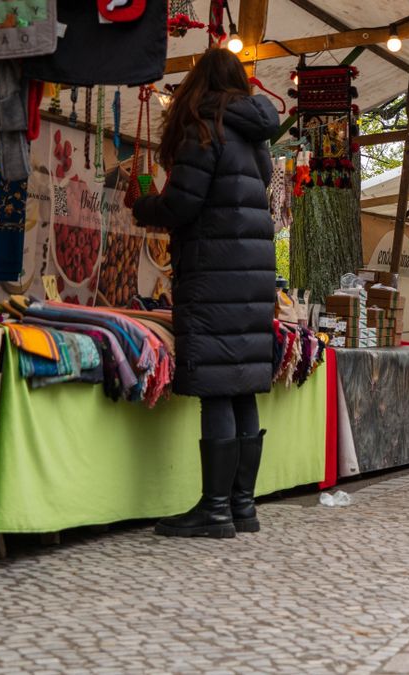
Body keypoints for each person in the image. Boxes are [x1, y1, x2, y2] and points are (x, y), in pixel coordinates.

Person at [132, 48, 280, 538]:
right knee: (240, 388)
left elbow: (182, 203)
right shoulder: (257, 140)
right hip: (252, 277)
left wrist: (145, 205)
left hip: (214, 274)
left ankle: (214, 510)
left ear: (201, 83)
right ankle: (242, 506)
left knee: (218, 385)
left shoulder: (205, 129)